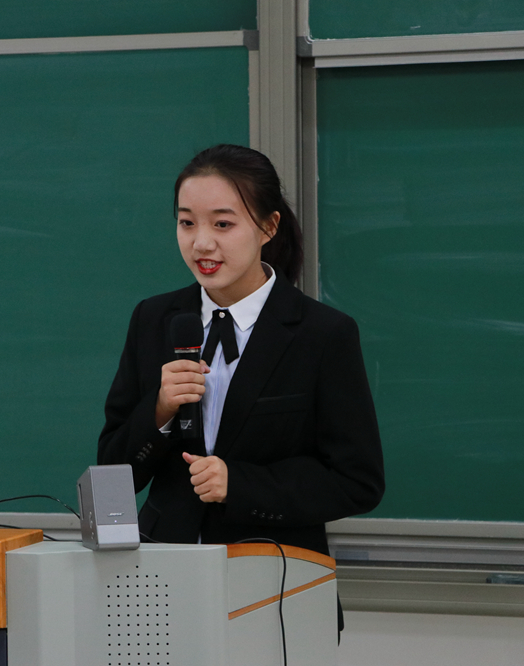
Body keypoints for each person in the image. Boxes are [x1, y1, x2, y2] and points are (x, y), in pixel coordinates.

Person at [97, 144, 384, 559]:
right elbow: (111, 473)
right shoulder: (153, 319)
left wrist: (240, 484)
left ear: (269, 227)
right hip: (162, 567)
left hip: (274, 571)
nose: (201, 243)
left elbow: (357, 481)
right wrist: (159, 410)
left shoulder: (323, 333)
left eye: (223, 224)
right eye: (186, 223)